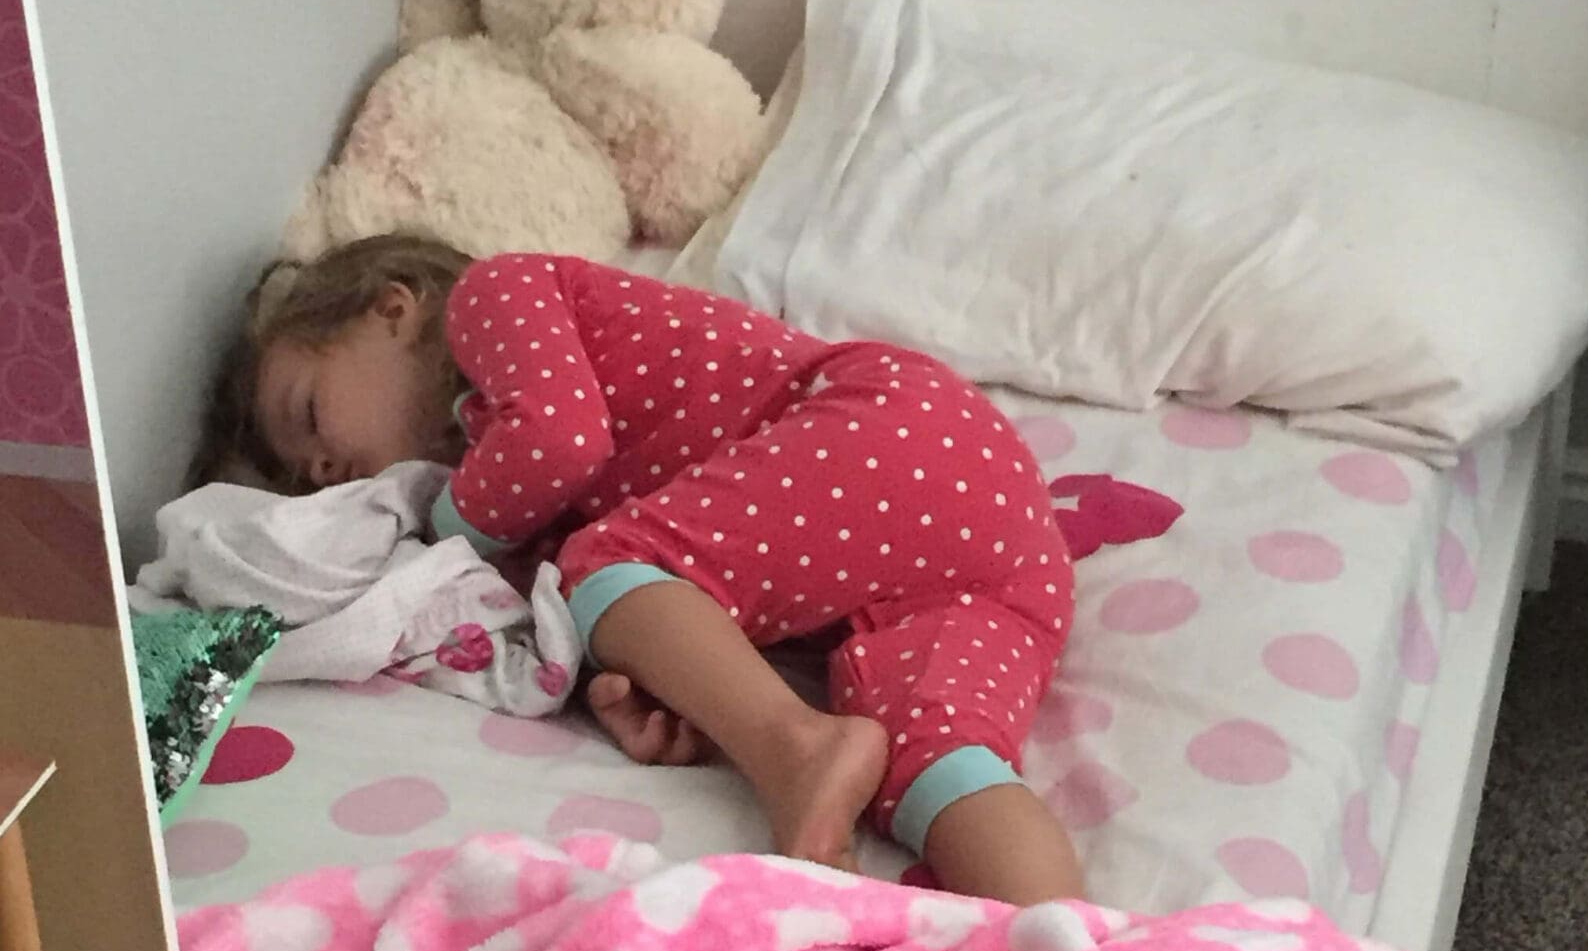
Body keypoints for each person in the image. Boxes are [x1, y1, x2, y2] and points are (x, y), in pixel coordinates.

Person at [198, 236, 1084, 904]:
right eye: (304, 476)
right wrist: (657, 689)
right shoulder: (515, 505)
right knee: (936, 767)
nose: (323, 470)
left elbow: (561, 441)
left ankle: (796, 745)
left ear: (389, 308)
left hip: (887, 425)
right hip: (1000, 536)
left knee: (611, 561)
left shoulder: (496, 295)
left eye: (305, 413)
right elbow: (670, 588)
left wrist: (440, 532)